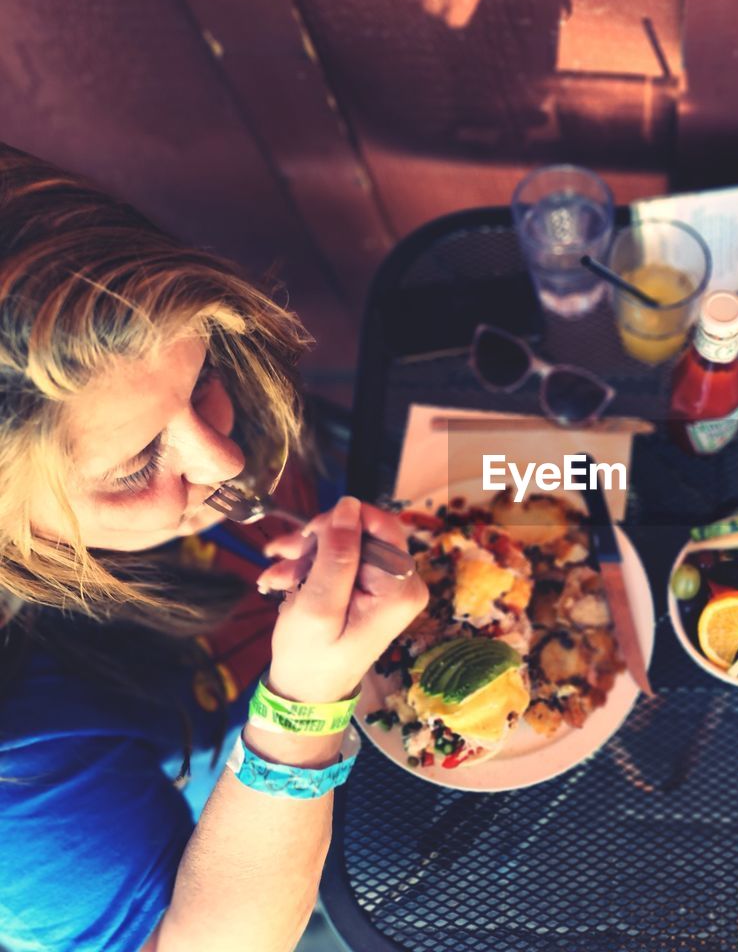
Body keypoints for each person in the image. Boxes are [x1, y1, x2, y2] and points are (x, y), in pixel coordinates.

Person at [0, 144, 429, 952]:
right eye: (136, 466)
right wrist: (304, 702)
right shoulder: (11, 794)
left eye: (200, 382)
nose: (227, 462)